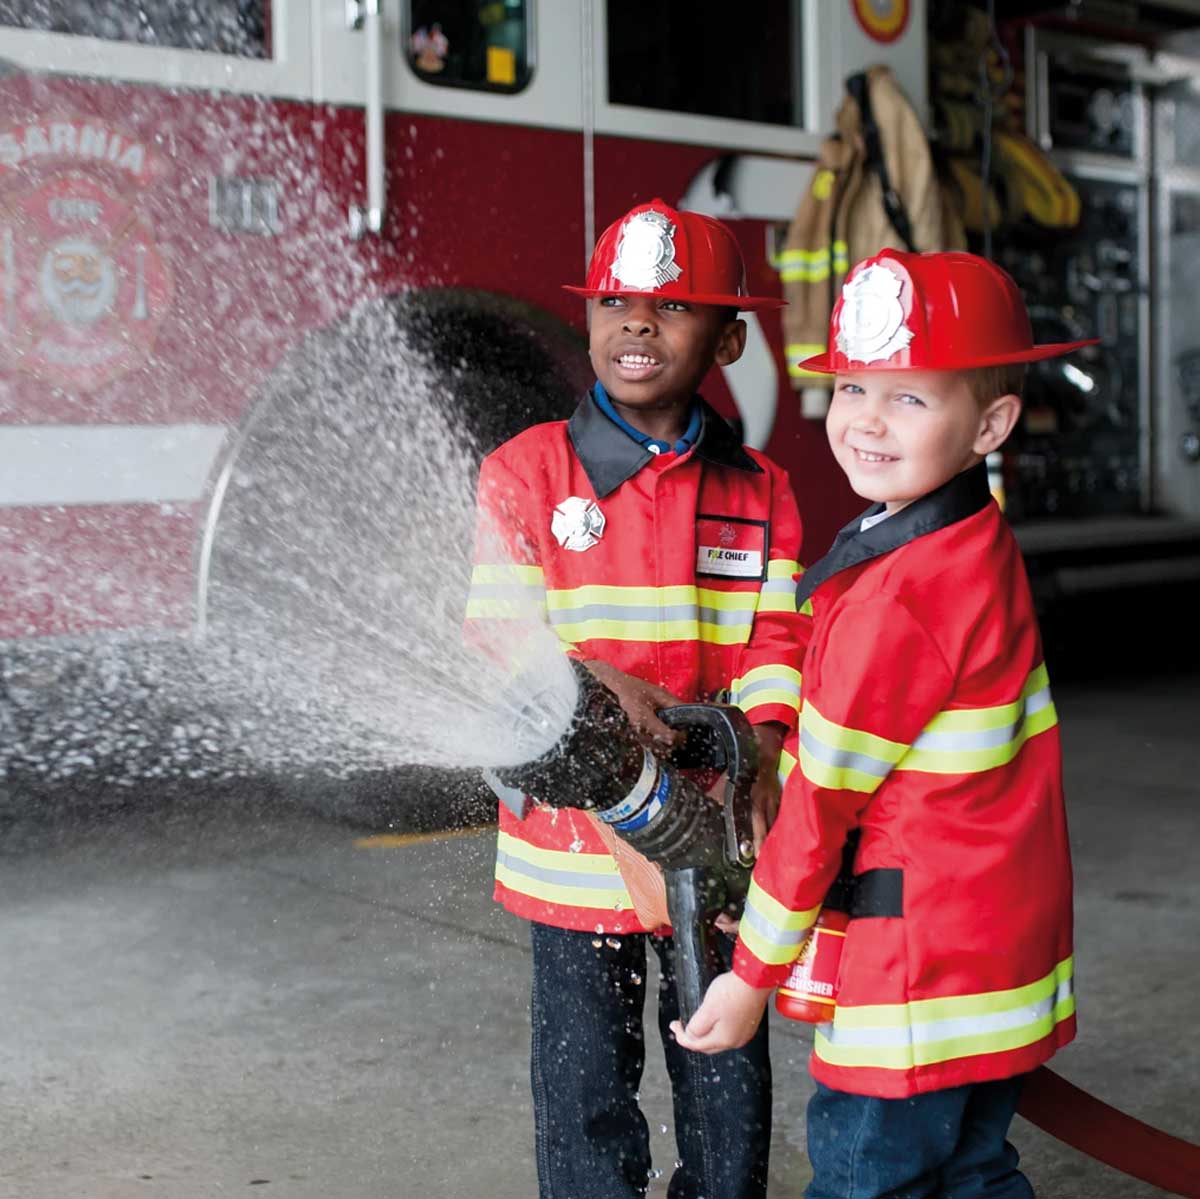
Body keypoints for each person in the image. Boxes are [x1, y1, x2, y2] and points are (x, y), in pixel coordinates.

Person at [672, 249, 1086, 1199]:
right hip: (993, 954)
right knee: (974, 1171)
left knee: (869, 1181)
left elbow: (820, 805)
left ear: (991, 423)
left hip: (914, 977)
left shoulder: (901, 597)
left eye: (908, 398)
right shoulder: (968, 541)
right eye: (853, 384)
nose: (864, 418)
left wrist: (748, 977)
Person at [466, 198, 810, 1199]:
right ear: (588, 319)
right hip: (573, 858)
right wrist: (586, 682)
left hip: (710, 842)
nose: (636, 324)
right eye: (615, 300)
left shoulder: (761, 488)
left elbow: (778, 640)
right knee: (584, 1090)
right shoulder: (523, 473)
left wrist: (766, 756)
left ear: (731, 336)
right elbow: (491, 635)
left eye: (672, 306)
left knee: (725, 1068)